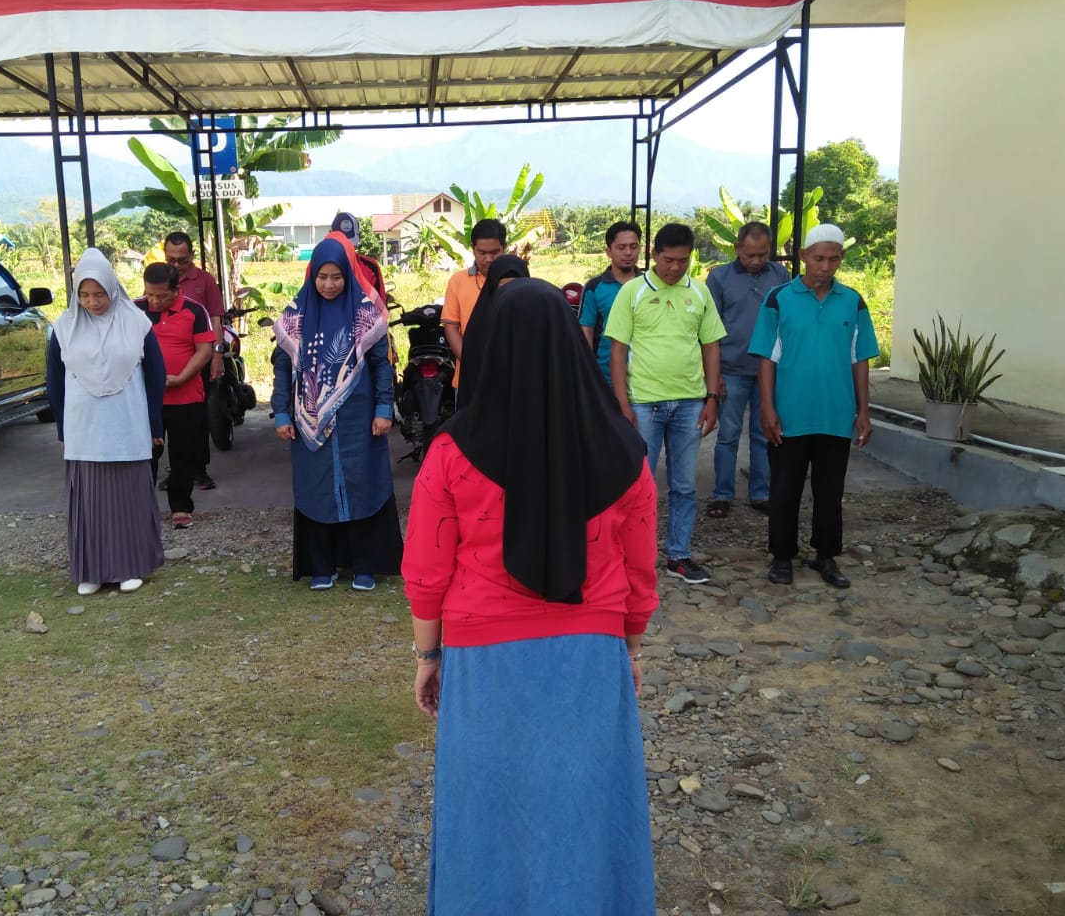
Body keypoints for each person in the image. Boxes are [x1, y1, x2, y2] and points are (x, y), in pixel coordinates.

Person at [403, 279, 659, 916]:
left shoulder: (451, 451)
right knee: (586, 805)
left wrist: (428, 656)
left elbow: (427, 570)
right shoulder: (624, 450)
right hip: (590, 648)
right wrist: (629, 647)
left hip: (484, 653)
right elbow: (639, 568)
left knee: (488, 808)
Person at [749, 223, 879, 589]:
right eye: (818, 258)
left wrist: (864, 411)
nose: (825, 266)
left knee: (830, 491)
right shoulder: (778, 298)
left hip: (836, 413)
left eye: (833, 259)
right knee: (784, 489)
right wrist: (767, 408)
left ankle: (826, 555)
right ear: (804, 256)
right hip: (789, 414)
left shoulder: (853, 301)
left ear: (841, 259)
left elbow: (859, 359)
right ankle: (782, 556)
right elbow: (767, 357)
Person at [271, 238, 403, 591]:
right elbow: (282, 368)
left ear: (348, 275)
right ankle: (321, 566)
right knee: (316, 489)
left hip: (359, 419)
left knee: (363, 485)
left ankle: (364, 566)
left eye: (337, 277)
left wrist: (384, 409)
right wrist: (281, 413)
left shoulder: (367, 315)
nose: (329, 284)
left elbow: (382, 366)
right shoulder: (294, 317)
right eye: (322, 277)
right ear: (311, 275)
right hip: (309, 420)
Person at [605, 223, 725, 585]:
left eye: (683, 260)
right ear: (654, 255)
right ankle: (629, 557)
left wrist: (712, 398)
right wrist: (622, 403)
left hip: (690, 404)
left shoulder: (699, 292)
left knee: (684, 485)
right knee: (636, 484)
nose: (675, 267)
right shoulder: (632, 292)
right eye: (669, 260)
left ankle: (679, 555)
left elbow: (711, 346)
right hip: (644, 405)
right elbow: (617, 350)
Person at [46, 248, 166, 596]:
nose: (92, 302)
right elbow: (54, 381)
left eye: (99, 294)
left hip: (127, 422)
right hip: (83, 427)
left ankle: (131, 565)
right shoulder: (64, 327)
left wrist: (155, 424)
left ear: (112, 288)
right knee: (90, 501)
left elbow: (156, 375)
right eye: (84, 295)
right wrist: (62, 428)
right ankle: (92, 570)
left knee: (128, 498)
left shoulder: (136, 323)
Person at [705, 221, 791, 518]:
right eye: (749, 255)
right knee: (728, 434)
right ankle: (722, 494)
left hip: (769, 371)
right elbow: (709, 329)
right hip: (731, 369)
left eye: (762, 254)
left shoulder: (780, 276)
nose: (755, 261)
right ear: (737, 248)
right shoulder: (719, 277)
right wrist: (714, 375)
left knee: (764, 432)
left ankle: (761, 493)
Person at [135, 262, 216, 531]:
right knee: (145, 455)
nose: (154, 301)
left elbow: (204, 350)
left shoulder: (195, 310)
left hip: (186, 397)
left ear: (176, 290)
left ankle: (181, 507)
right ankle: (142, 508)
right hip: (146, 400)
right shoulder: (133, 310)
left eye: (162, 296)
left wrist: (180, 378)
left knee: (184, 456)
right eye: (150, 294)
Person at [162, 231, 225, 491]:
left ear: (192, 255)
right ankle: (177, 472)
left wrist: (217, 355)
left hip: (199, 361)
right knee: (169, 420)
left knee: (198, 418)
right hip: (168, 366)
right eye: (171, 259)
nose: (177, 265)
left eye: (183, 260)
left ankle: (199, 470)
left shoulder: (205, 281)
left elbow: (216, 319)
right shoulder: (159, 280)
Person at [452, 253, 530, 411]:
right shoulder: (479, 327)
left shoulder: (538, 319)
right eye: (503, 289)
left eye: (516, 287)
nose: (510, 294)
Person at [439, 218, 506, 400]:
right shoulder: (458, 281)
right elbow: (451, 327)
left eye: (495, 252)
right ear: (473, 249)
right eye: (482, 253)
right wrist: (472, 362)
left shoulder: (517, 281)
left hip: (509, 379)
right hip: (469, 379)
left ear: (504, 248)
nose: (488, 259)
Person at [579, 220, 643, 385]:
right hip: (605, 377)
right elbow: (586, 330)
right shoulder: (594, 287)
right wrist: (588, 372)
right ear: (608, 251)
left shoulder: (650, 285)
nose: (628, 253)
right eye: (621, 247)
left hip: (645, 377)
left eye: (633, 247)